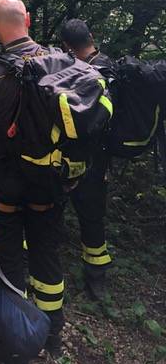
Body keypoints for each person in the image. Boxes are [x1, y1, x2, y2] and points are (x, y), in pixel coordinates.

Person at [0, 0, 65, 356]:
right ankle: (53, 333)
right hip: (49, 179)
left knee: (9, 260)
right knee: (46, 254)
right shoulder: (60, 63)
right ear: (26, 18)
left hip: (5, 185)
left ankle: (16, 339)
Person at [60, 19, 114, 300]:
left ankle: (41, 268)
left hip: (70, 158)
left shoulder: (72, 73)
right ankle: (97, 280)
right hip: (98, 162)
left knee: (52, 210)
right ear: (91, 36)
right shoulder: (111, 68)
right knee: (93, 219)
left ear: (67, 46)